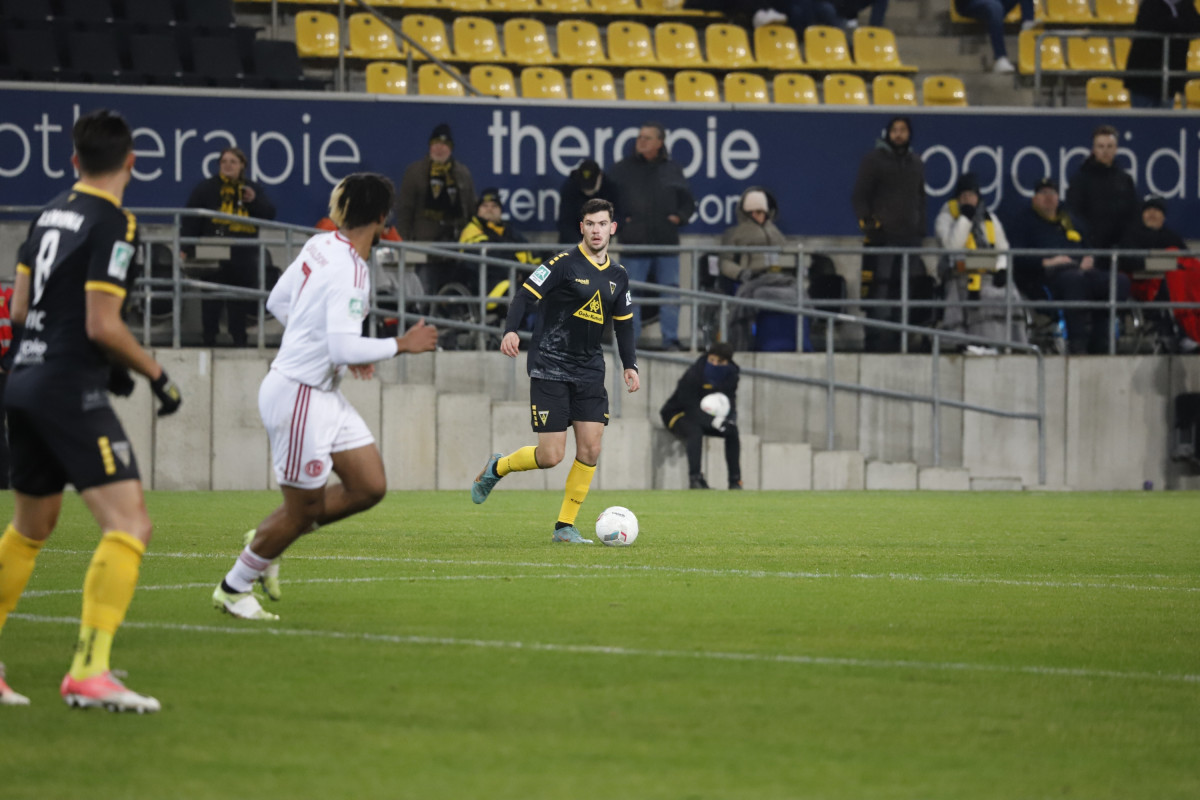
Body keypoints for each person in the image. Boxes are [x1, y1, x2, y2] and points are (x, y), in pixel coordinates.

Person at [0, 109, 183, 712]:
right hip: (64, 386)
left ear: (74, 161)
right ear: (132, 162)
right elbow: (102, 323)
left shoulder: (46, 214)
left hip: (23, 378)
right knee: (129, 525)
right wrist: (154, 374)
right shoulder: (115, 222)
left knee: (31, 527)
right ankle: (89, 670)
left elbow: (19, 308)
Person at [210, 173, 439, 621]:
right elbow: (341, 348)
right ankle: (235, 585)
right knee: (302, 512)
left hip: (321, 393)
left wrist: (338, 348)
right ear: (382, 217)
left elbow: (278, 303)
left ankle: (269, 538)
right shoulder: (352, 269)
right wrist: (400, 344)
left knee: (369, 486)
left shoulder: (321, 244)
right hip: (299, 394)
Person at [470, 198, 640, 544]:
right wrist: (511, 330)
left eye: (602, 224)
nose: (596, 230)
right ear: (582, 227)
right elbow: (523, 295)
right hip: (550, 365)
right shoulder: (562, 264)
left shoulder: (619, 276)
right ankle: (498, 467)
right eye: (590, 224)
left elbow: (624, 325)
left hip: (590, 370)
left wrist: (630, 365)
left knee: (591, 449)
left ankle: (565, 526)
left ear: (612, 228)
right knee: (551, 456)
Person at [1008, 177, 1130, 355]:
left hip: (1082, 271)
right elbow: (1016, 256)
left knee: (1118, 281)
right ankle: (1077, 343)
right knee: (1074, 281)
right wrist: (1047, 262)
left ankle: (1101, 341)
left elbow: (1088, 247)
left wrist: (1089, 258)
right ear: (1034, 198)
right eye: (1043, 193)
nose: (1048, 197)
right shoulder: (1024, 222)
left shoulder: (1070, 219)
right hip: (1048, 277)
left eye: (1052, 193)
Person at [608, 122, 695, 351]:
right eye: (639, 137)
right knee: (630, 293)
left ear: (659, 142)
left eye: (647, 138)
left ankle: (670, 340)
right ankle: (630, 342)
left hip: (666, 242)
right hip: (634, 242)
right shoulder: (621, 169)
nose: (641, 141)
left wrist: (679, 217)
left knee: (670, 291)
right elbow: (606, 200)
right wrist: (621, 222)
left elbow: (687, 202)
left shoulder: (672, 169)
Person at [181, 146, 277, 347]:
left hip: (243, 250)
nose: (228, 165)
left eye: (233, 162)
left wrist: (254, 201)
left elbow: (269, 214)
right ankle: (209, 339)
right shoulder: (206, 187)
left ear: (242, 165)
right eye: (224, 161)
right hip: (213, 245)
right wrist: (185, 247)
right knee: (210, 296)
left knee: (239, 297)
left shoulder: (251, 188)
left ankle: (239, 339)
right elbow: (191, 219)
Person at [851, 116, 927, 352]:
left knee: (904, 291)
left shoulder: (916, 163)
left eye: (903, 130)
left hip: (910, 241)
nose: (899, 134)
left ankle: (899, 341)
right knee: (880, 289)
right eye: (895, 130)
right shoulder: (873, 160)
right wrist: (870, 226)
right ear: (888, 133)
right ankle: (876, 341)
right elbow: (860, 196)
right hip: (882, 239)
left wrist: (920, 229)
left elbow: (921, 198)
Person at [934, 172, 1025, 350]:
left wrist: (1001, 268)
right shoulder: (945, 218)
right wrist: (965, 218)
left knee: (1011, 293)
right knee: (984, 296)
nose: (968, 199)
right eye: (964, 195)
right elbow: (952, 247)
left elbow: (1003, 249)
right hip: (960, 274)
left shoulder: (990, 219)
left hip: (989, 272)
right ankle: (980, 344)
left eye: (972, 195)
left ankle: (1012, 345)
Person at [395, 123, 477, 297]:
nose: (440, 148)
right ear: (430, 146)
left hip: (455, 247)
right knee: (423, 293)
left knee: (453, 294)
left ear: (451, 148)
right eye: (436, 144)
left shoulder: (462, 173)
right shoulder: (415, 172)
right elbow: (405, 211)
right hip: (424, 247)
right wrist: (405, 243)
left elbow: (471, 210)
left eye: (444, 144)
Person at [718, 187, 795, 352]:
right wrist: (741, 273)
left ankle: (791, 340)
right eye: (753, 212)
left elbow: (787, 253)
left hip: (778, 278)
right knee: (757, 295)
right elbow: (725, 262)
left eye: (760, 212)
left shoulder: (775, 233)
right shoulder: (735, 234)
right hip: (752, 278)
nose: (757, 215)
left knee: (799, 294)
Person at [660, 342, 742, 490]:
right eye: (712, 360)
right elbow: (688, 405)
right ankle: (695, 478)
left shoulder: (731, 376)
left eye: (720, 362)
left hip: (706, 417)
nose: (714, 364)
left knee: (732, 431)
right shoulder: (695, 373)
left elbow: (729, 399)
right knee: (694, 430)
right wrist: (714, 422)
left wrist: (729, 419)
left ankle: (735, 481)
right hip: (677, 413)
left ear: (727, 362)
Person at [1065, 125, 1139, 256]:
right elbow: (1074, 213)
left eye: (1109, 146)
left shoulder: (1125, 180)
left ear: (1116, 149)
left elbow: (1132, 214)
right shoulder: (1080, 179)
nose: (1105, 151)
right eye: (1101, 146)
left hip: (1120, 249)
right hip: (1090, 248)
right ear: (1094, 149)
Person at [1125, 0, 1200, 108]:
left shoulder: (1185, 4)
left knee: (1166, 115)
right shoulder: (1150, 3)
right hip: (1145, 76)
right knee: (1143, 116)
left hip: (1170, 77)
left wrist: (1177, 24)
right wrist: (1179, 25)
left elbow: (1195, 25)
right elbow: (1157, 25)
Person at [459, 187, 538, 287]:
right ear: (478, 210)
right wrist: (516, 268)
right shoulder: (472, 229)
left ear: (500, 211)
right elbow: (487, 255)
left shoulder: (508, 230)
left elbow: (531, 251)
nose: (489, 209)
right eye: (485, 206)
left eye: (494, 206)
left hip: (513, 278)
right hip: (484, 282)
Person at [952, 0, 1036, 73]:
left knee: (995, 6)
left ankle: (1028, 23)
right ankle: (1000, 58)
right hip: (969, 3)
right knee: (995, 7)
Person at [556, 159, 618, 245]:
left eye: (591, 185)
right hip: (573, 243)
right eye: (585, 185)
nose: (587, 191)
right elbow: (565, 222)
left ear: (600, 177)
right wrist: (580, 244)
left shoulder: (610, 189)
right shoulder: (570, 187)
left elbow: (618, 217)